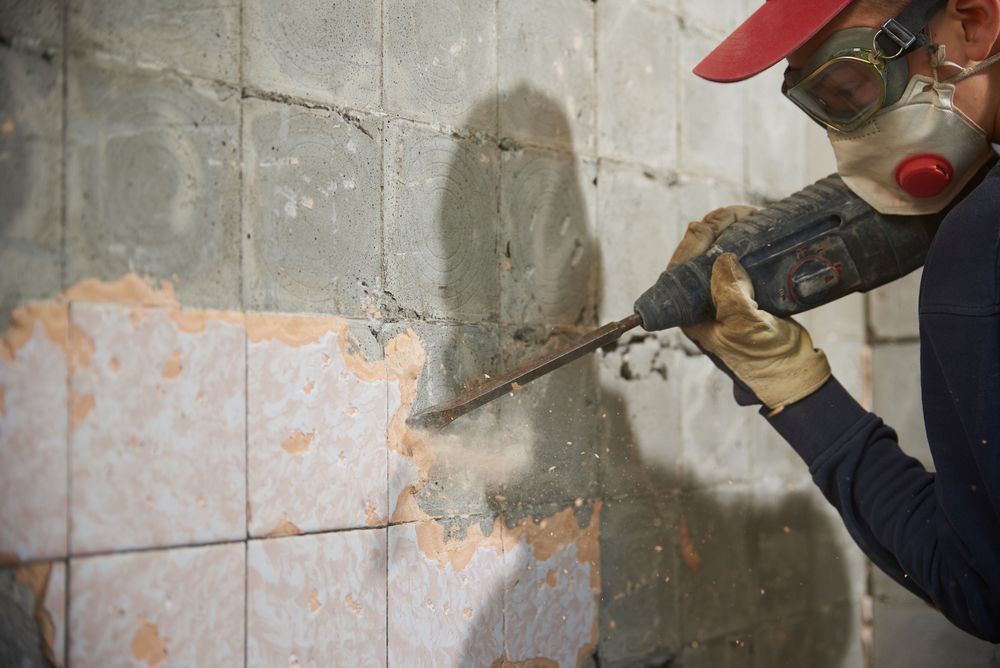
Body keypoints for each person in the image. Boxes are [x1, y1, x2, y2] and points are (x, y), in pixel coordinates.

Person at [678, 0, 1000, 642]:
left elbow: (980, 586)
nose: (851, 135)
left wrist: (795, 389)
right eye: (817, 103)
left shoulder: (980, 253)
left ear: (972, 21)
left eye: (849, 86)